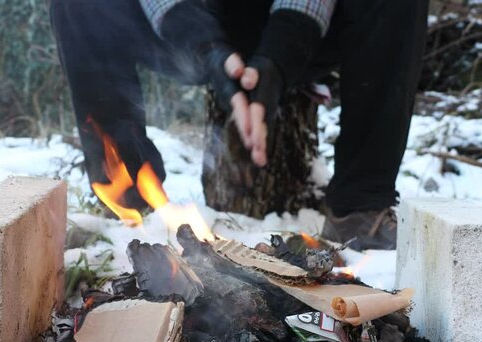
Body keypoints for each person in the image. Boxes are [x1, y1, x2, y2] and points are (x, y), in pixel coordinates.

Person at [50, 0, 429, 250]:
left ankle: (360, 210)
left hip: (301, 26)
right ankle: (130, 203)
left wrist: (279, 60)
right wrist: (206, 48)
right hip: (192, 25)